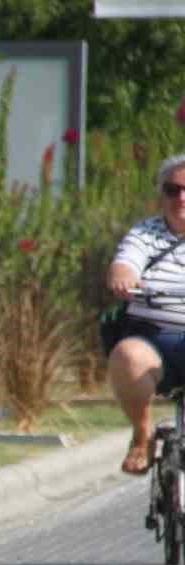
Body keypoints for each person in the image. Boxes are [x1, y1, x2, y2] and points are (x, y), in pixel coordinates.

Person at [107, 152, 185, 475]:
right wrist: (123, 276)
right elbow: (125, 262)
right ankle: (142, 436)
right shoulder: (145, 234)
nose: (181, 198)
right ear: (161, 194)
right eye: (172, 190)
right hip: (154, 341)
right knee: (127, 354)